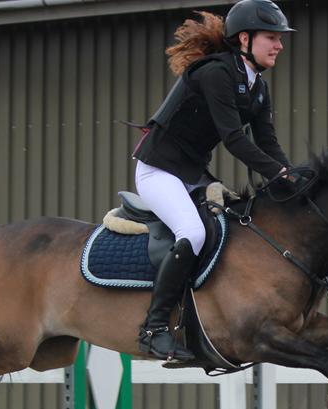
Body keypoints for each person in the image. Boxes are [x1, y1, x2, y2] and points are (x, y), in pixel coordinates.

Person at [131, 0, 295, 361]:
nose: (279, 45)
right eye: (271, 37)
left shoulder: (257, 87)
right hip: (158, 171)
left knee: (233, 227)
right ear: (245, 39)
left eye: (280, 38)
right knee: (193, 233)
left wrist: (292, 176)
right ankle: (154, 330)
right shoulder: (216, 73)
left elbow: (267, 142)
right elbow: (234, 139)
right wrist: (278, 173)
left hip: (191, 175)